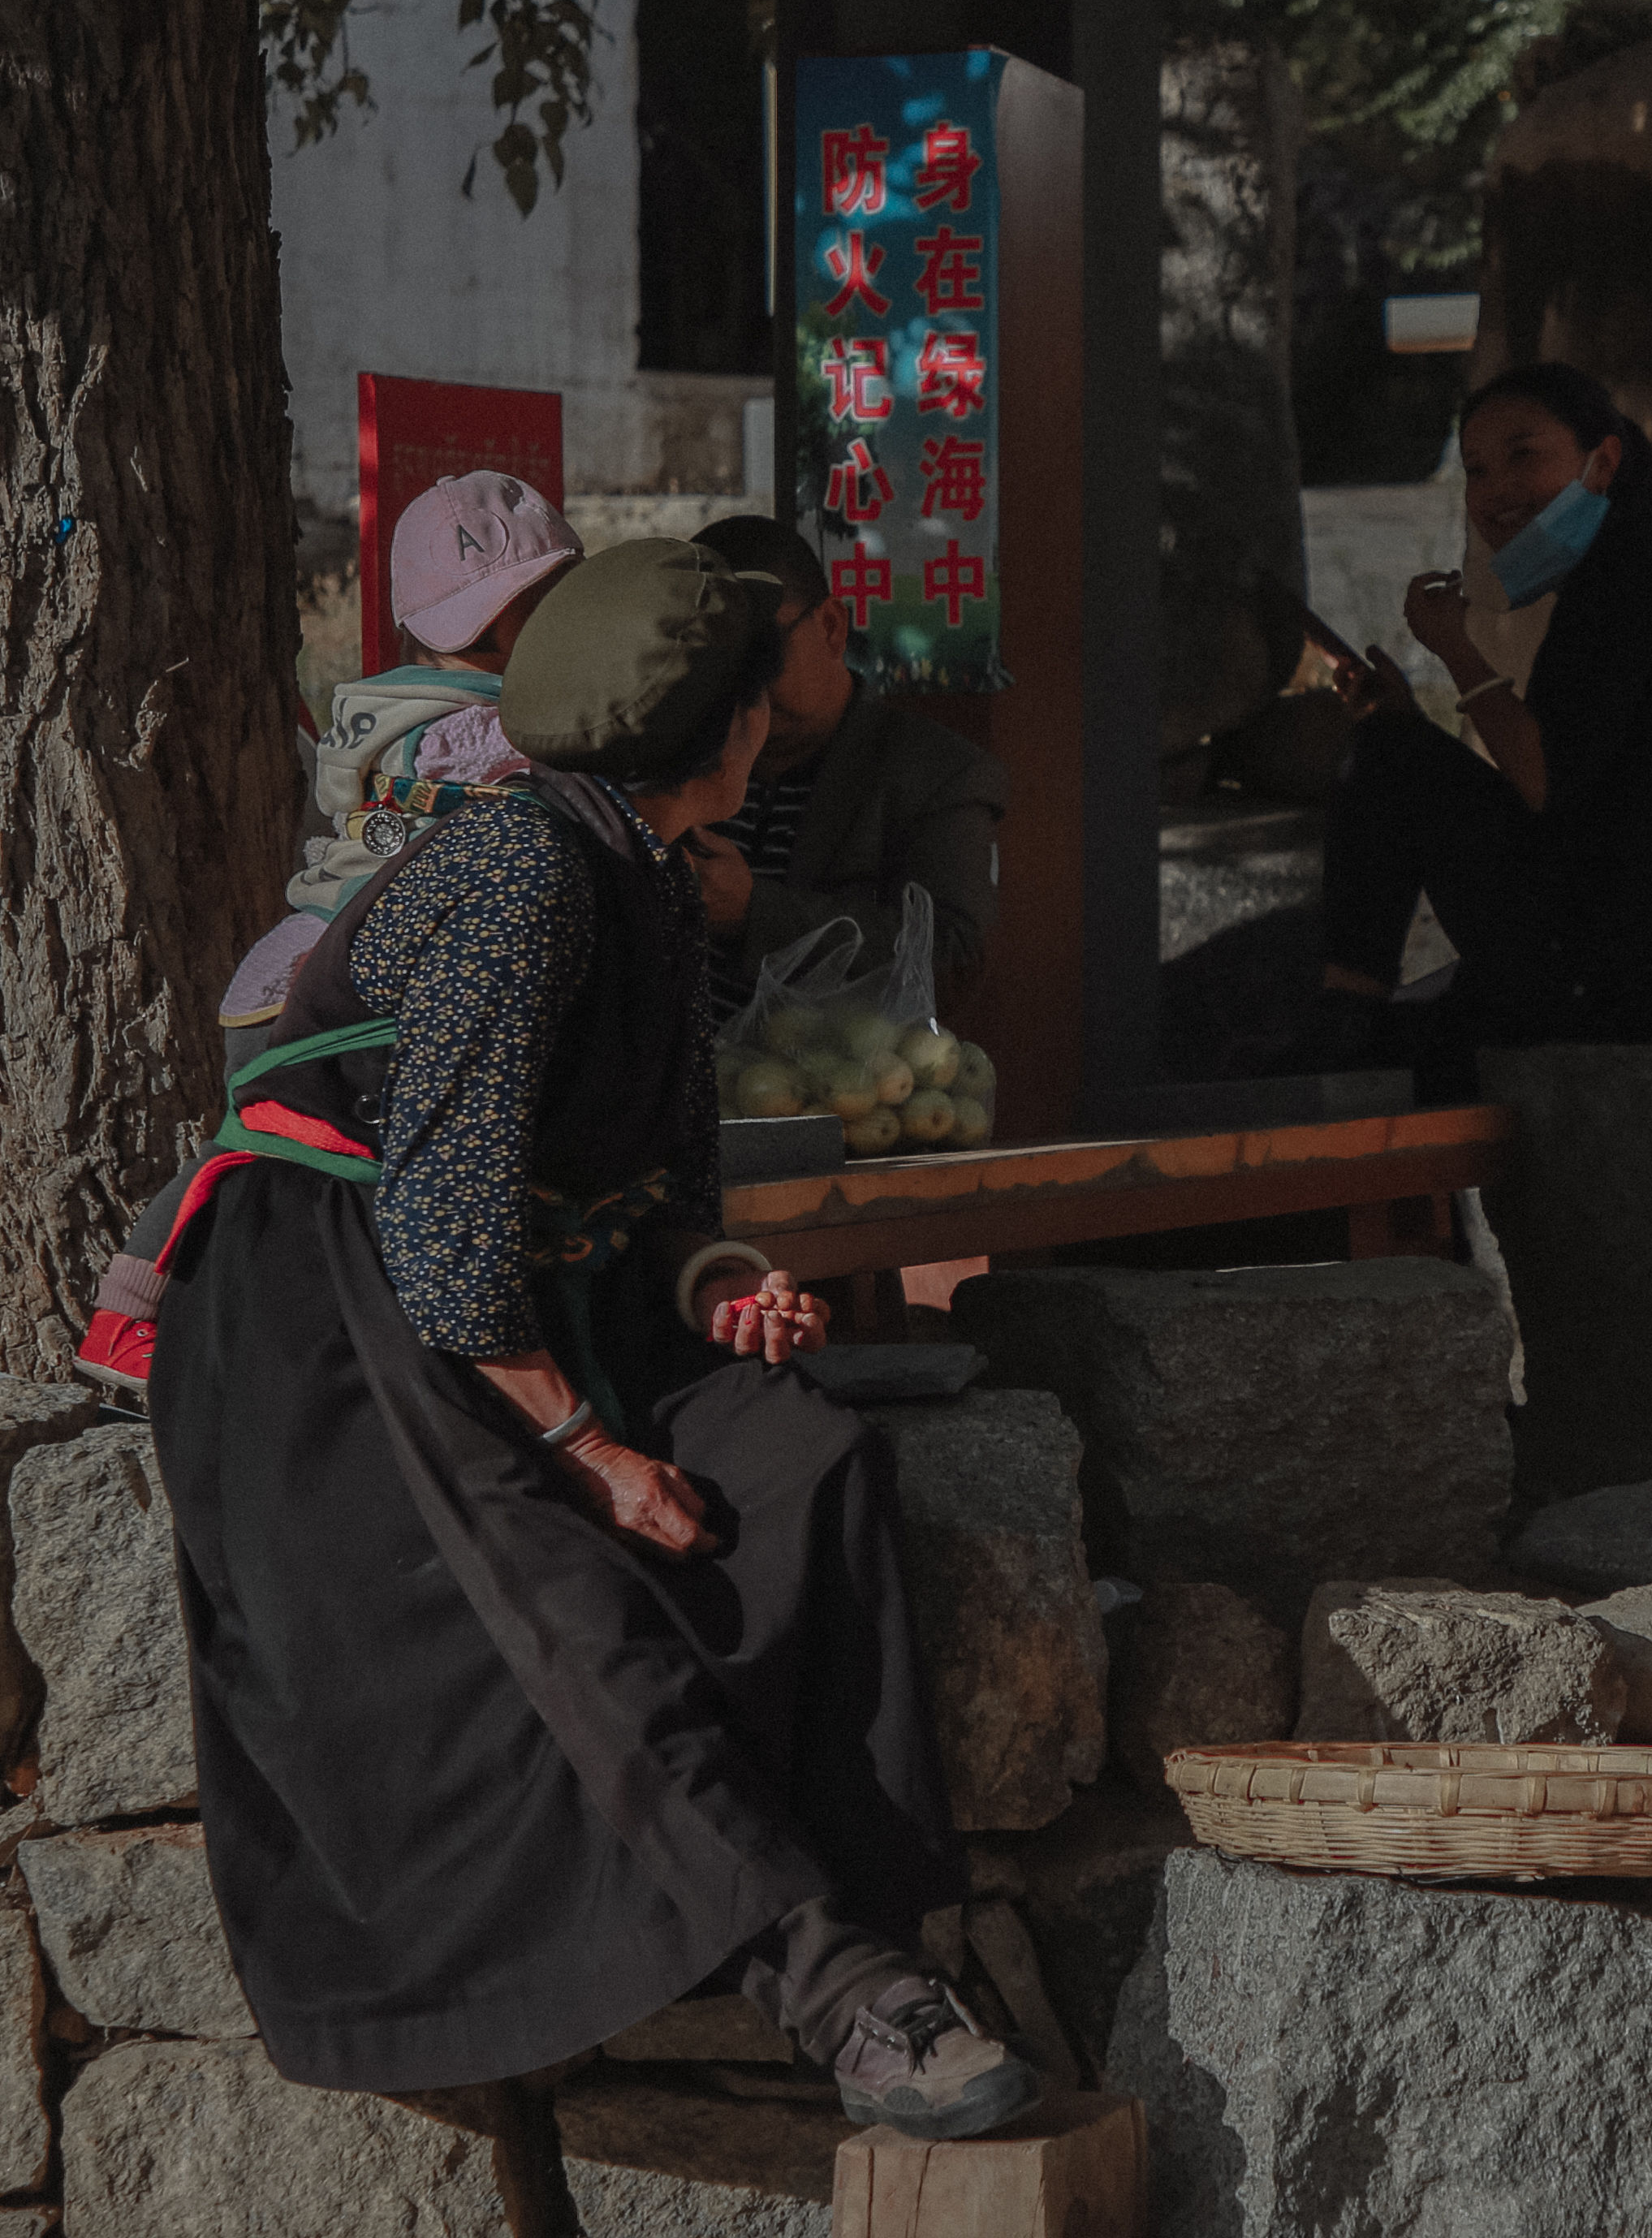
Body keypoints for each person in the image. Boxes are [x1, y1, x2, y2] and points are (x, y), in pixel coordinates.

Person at [147, 538, 1039, 2139]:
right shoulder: (521, 872)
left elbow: (663, 1201)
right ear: (735, 732)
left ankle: (893, 1920)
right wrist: (591, 1449)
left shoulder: (651, 882)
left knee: (811, 1460)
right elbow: (443, 1229)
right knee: (562, 1584)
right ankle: (830, 1981)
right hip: (333, 1317)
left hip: (515, 1299)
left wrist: (720, 1293)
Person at [71, 471, 581, 1392]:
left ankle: (196, 1322)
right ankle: (129, 1317)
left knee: (280, 1155)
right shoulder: (480, 729)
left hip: (301, 953)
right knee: (270, 1148)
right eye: (552, 608)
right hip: (333, 975)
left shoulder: (385, 706)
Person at [1300, 361, 1652, 1081]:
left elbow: (1545, 781)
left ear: (1601, 463)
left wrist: (1454, 647)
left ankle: (1343, 1021)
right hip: (1633, 946)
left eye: (1524, 455)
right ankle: (1354, 1032)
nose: (1496, 491)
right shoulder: (1615, 578)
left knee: (1391, 758)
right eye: (1477, 470)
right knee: (1395, 747)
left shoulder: (1633, 580)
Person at [681, 512, 1007, 1005]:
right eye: (717, 660)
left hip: (825, 1076)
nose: (744, 684)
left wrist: (756, 912)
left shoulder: (933, 771)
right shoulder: (682, 753)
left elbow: (956, 958)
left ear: (832, 627)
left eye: (762, 653)